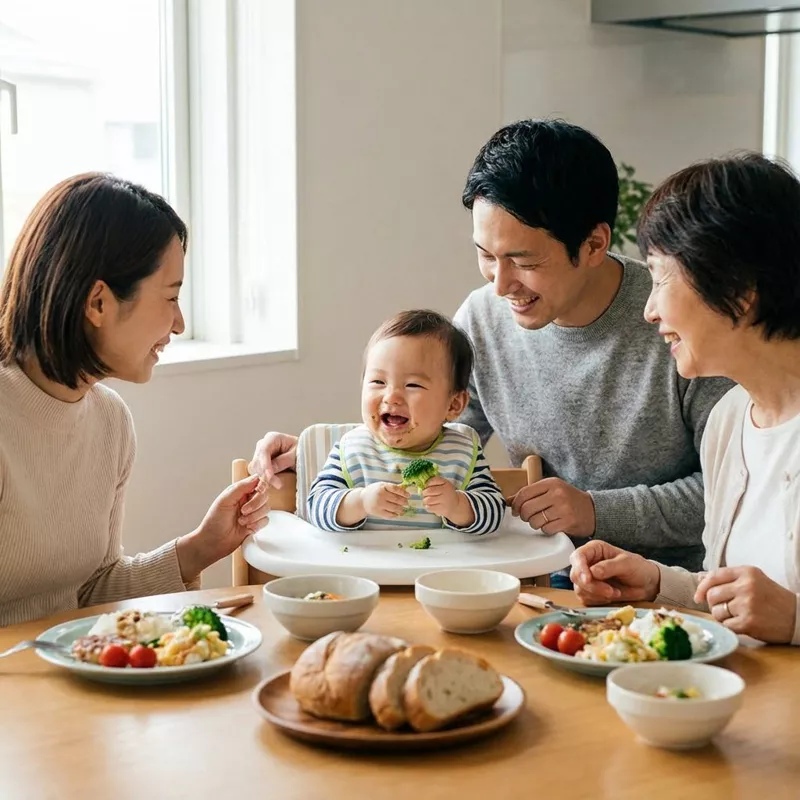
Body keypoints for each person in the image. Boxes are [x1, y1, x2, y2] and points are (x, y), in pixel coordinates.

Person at [249, 120, 731, 579]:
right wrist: (314, 452)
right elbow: (433, 434)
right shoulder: (482, 319)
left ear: (593, 244)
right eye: (485, 255)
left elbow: (731, 490)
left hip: (664, 588)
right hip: (535, 576)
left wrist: (593, 511)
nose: (500, 286)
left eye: (523, 261)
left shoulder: (678, 321)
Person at [0, 173, 269, 627]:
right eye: (171, 297)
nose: (179, 323)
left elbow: (90, 590)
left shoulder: (110, 421)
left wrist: (201, 547)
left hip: (65, 662)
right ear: (98, 303)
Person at [570, 152, 800, 645]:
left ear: (738, 288)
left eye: (660, 278)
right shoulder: (729, 421)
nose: (649, 310)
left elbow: (778, 612)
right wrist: (656, 581)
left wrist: (795, 620)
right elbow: (732, 598)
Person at [307, 310, 505, 533]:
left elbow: (495, 512)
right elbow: (316, 506)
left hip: (444, 556)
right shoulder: (352, 449)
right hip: (365, 556)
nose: (391, 396)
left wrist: (457, 506)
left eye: (413, 385)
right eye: (378, 381)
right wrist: (361, 502)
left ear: (453, 405)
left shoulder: (462, 452)